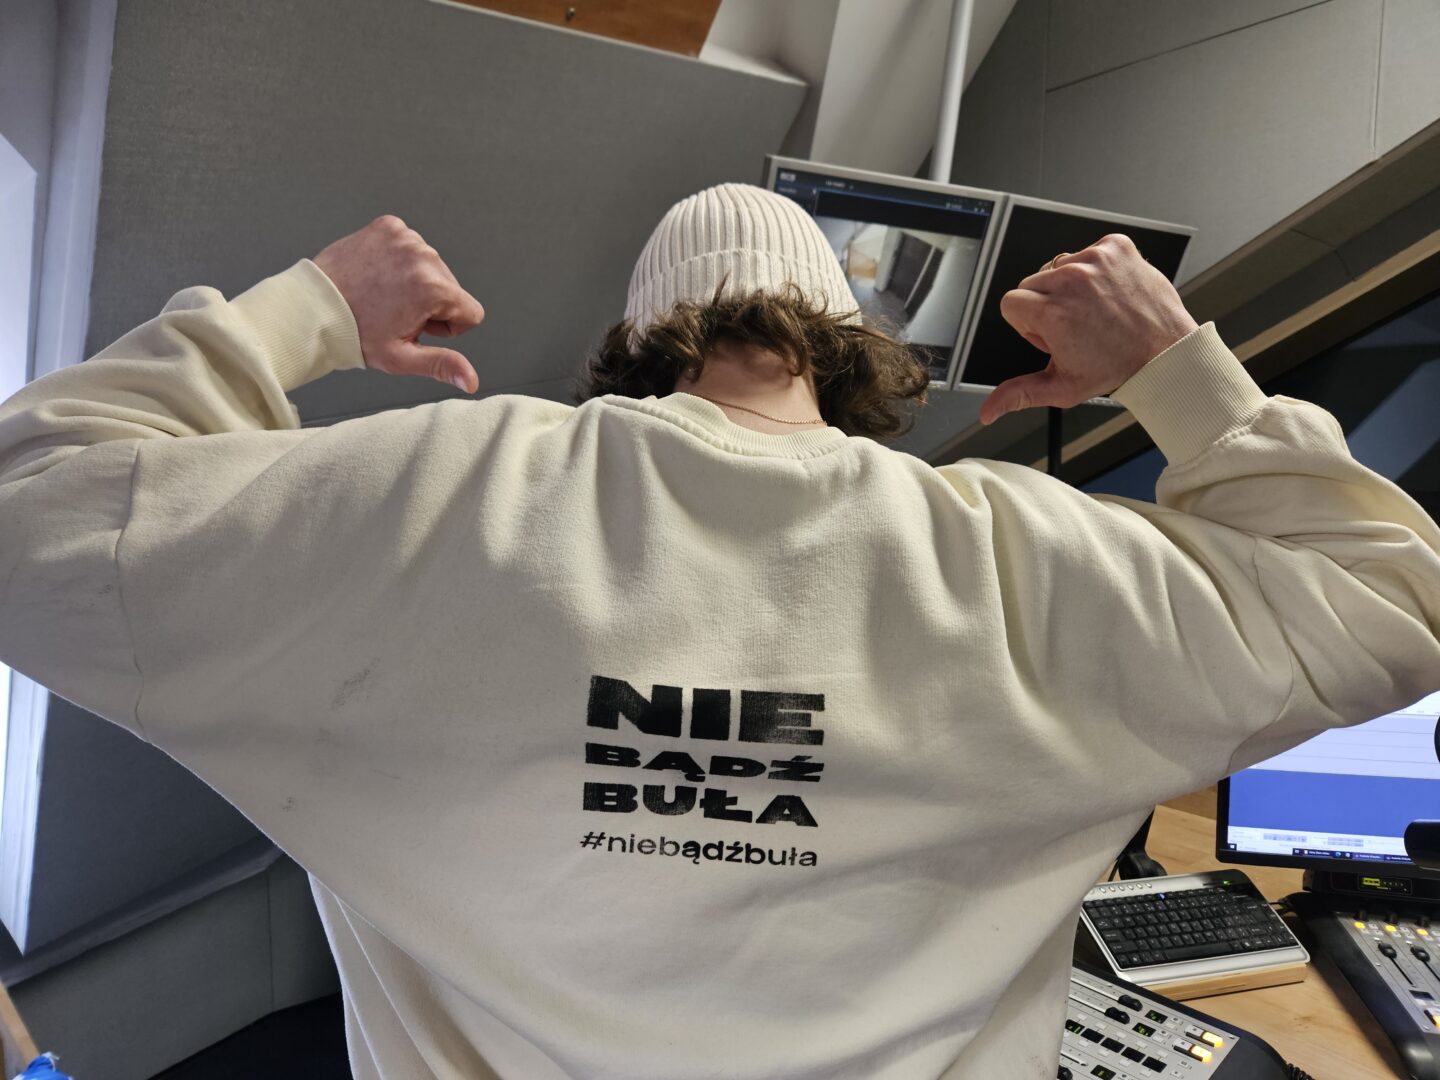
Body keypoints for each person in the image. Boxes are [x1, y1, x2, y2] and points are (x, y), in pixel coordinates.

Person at [0, 182, 1436, 1080]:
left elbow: (26, 517)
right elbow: (1397, 602)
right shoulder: (1031, 556)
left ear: (640, 341)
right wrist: (1174, 369)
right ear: (846, 346)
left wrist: (304, 313)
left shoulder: (420, 495)